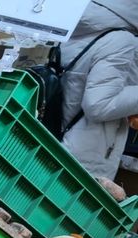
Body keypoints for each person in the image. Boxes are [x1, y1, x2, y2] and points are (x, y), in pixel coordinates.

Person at [61, 0, 138, 180]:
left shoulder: (83, 26)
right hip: (84, 158)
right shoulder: (121, 39)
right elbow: (99, 105)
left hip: (59, 140)